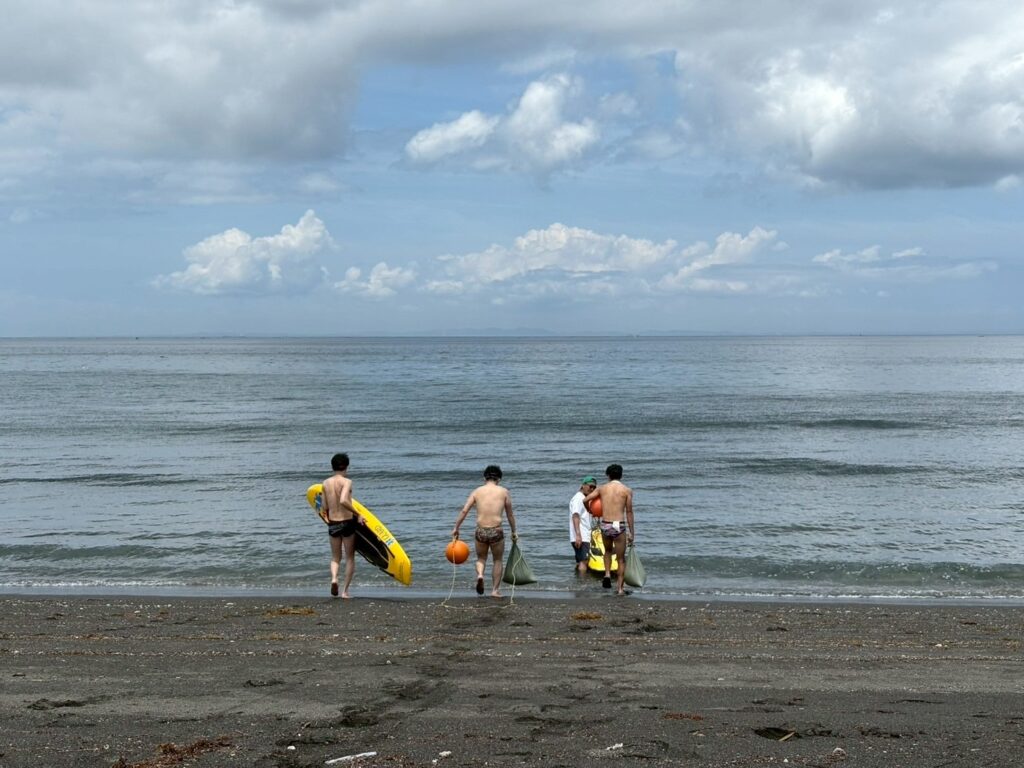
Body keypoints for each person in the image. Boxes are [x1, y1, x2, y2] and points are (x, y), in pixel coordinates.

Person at [452, 464, 518, 597]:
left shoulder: (477, 491)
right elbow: (510, 514)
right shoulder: (504, 492)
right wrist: (513, 531)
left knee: (481, 558)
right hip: (496, 531)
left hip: (481, 531)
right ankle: (495, 590)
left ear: (484, 478)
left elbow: (464, 511)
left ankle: (480, 575)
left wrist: (456, 528)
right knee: (497, 560)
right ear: (499, 479)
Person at [584, 463, 634, 595]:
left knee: (607, 551)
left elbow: (585, 500)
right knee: (621, 559)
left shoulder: (602, 489)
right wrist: (631, 532)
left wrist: (590, 510)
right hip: (619, 525)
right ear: (621, 475)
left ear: (608, 475)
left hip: (605, 524)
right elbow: (629, 512)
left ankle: (607, 574)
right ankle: (620, 589)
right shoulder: (626, 490)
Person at [322, 452, 360, 598]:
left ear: (332, 467)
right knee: (349, 557)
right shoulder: (346, 481)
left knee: (335, 557)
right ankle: (345, 592)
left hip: (333, 523)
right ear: (346, 467)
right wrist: (358, 513)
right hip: (347, 522)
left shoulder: (325, 483)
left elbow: (325, 506)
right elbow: (344, 500)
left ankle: (334, 579)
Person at [570, 475, 598, 575]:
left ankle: (578, 580)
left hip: (583, 535)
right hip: (581, 536)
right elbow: (575, 515)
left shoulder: (584, 498)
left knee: (580, 561)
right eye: (590, 486)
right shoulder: (578, 498)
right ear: (583, 485)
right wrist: (578, 535)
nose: (592, 489)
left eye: (594, 487)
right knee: (584, 561)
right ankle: (582, 582)